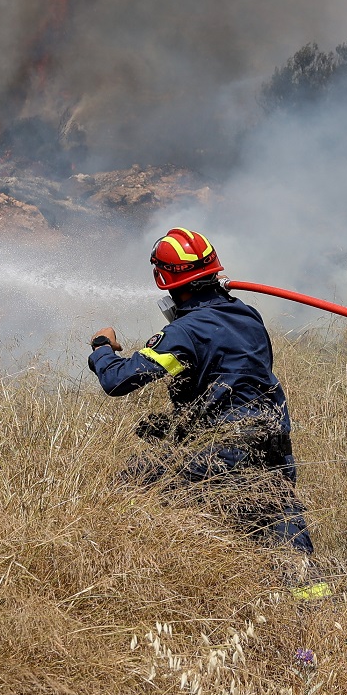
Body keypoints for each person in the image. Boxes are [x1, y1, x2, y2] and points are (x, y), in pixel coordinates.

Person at [88, 228, 318, 566]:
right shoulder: (247, 315)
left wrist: (101, 346)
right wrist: (175, 427)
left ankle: (147, 573)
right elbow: (232, 383)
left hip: (226, 452)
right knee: (286, 544)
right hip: (273, 444)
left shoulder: (184, 333)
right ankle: (313, 606)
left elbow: (117, 381)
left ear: (162, 279)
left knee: (133, 483)